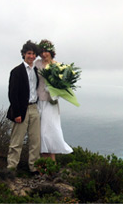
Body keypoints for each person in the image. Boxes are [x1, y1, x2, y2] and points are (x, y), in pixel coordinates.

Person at [6, 40, 41, 174]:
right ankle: (11, 168)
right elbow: (12, 94)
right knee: (17, 141)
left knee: (35, 141)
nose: (31, 56)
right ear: (23, 54)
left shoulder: (37, 71)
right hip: (21, 109)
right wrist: (17, 113)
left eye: (34, 54)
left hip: (34, 108)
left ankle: (34, 168)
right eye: (29, 53)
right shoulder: (16, 71)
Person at [35, 39, 73, 161]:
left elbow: (63, 85)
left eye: (46, 51)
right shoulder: (37, 64)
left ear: (51, 52)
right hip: (38, 101)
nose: (44, 54)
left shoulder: (58, 66)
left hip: (51, 103)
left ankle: (51, 164)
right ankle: (44, 165)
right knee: (40, 134)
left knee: (50, 132)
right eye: (41, 51)